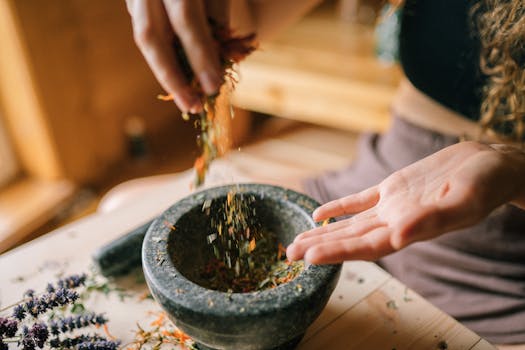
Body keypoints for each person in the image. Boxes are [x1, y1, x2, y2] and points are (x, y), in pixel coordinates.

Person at [125, 0, 525, 347]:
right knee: (122, 203)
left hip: (501, 258)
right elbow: (245, 22)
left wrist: (511, 168)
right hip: (379, 188)